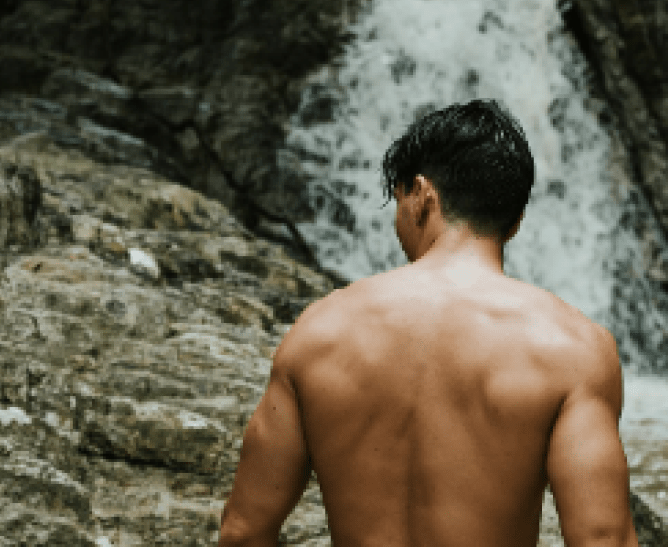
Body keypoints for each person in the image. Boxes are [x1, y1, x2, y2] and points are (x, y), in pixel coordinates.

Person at [218, 100, 639, 547]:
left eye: (397, 200)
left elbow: (242, 533)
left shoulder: (319, 330)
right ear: (515, 222)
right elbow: (602, 541)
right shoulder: (572, 347)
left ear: (420, 194)